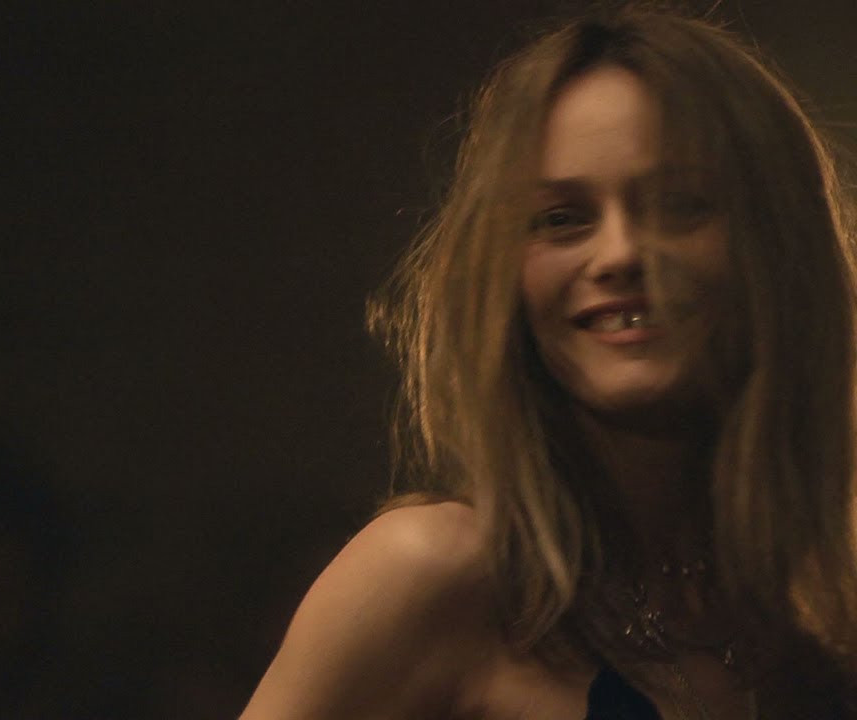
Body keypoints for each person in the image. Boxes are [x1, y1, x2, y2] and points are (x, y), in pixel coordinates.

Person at [242, 6, 857, 719]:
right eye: (562, 218)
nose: (620, 253)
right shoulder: (433, 575)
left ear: (779, 246)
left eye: (680, 204)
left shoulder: (816, 610)